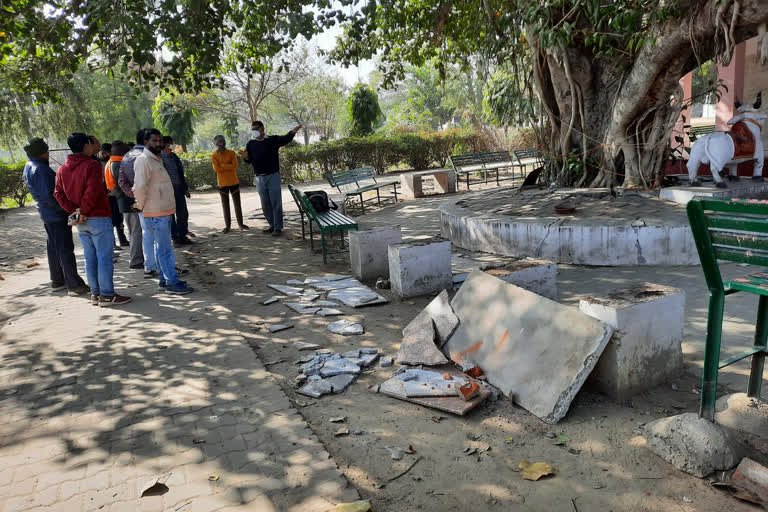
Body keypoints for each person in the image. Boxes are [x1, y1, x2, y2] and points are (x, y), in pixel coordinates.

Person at [53, 133, 131, 307]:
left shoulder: (62, 168)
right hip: (97, 216)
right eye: (92, 143)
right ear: (86, 145)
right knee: (104, 257)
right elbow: (93, 191)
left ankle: (96, 294)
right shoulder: (91, 165)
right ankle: (107, 295)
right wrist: (84, 211)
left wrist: (75, 212)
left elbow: (58, 193)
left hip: (81, 220)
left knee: (91, 258)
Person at [22, 137, 90, 296]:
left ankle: (58, 280)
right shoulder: (41, 169)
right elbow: (51, 196)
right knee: (65, 249)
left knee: (53, 248)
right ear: (41, 152)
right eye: (45, 150)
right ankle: (74, 285)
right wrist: (70, 210)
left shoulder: (29, 166)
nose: (48, 153)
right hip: (56, 214)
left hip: (47, 213)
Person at [133, 129, 194, 295]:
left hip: (163, 211)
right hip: (155, 212)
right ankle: (171, 282)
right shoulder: (143, 160)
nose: (159, 144)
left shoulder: (157, 159)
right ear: (146, 142)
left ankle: (164, 280)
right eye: (155, 141)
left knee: (162, 249)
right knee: (164, 250)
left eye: (160, 141)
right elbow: (139, 187)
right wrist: (141, 205)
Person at [240, 120, 301, 236]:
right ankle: (271, 225)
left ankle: (277, 227)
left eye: (256, 129)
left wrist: (293, 131)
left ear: (262, 129)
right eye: (252, 129)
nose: (254, 131)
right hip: (259, 178)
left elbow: (286, 138)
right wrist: (245, 157)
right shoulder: (251, 144)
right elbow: (249, 160)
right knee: (265, 204)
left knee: (276, 202)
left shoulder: (272, 140)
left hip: (273, 176)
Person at [117, 129, 150, 274]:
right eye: (155, 140)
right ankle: (149, 264)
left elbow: (121, 181)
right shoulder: (149, 156)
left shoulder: (126, 157)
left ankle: (140, 261)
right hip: (151, 202)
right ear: (146, 141)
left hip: (134, 201)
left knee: (136, 232)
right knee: (151, 234)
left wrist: (134, 195)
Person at [211, 135, 248, 233]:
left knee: (237, 204)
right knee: (225, 205)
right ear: (216, 144)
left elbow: (235, 166)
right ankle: (228, 226)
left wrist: (222, 165)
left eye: (221, 142)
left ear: (224, 142)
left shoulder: (231, 153)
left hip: (233, 182)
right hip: (222, 184)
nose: (220, 144)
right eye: (218, 143)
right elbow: (216, 169)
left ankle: (240, 224)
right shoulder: (214, 155)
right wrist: (228, 166)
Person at [160, 136, 193, 245]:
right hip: (167, 190)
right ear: (165, 144)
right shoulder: (159, 158)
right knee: (170, 215)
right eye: (170, 143)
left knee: (183, 212)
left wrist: (185, 189)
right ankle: (175, 238)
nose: (172, 146)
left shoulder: (174, 157)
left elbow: (181, 174)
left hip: (178, 188)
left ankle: (182, 234)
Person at [104, 141, 130, 248]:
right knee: (115, 221)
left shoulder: (111, 162)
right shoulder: (117, 164)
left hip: (115, 196)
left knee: (118, 221)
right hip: (116, 197)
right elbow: (121, 183)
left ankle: (121, 240)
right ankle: (114, 243)